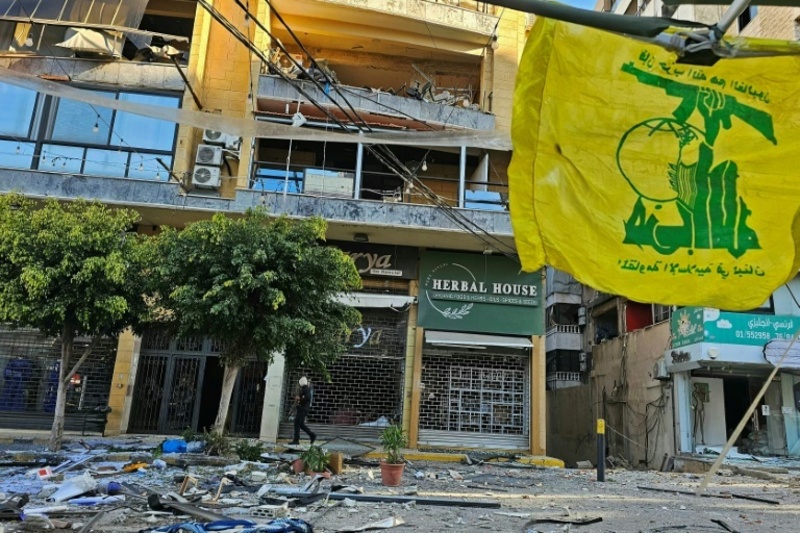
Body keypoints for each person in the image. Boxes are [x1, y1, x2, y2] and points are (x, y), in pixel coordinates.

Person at [289, 376, 316, 445]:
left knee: (297, 423)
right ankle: (312, 435)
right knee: (300, 424)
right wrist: (299, 399)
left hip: (303, 409)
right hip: (303, 409)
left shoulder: (305, 389)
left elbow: (307, 397)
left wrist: (299, 399)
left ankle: (296, 440)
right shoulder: (305, 389)